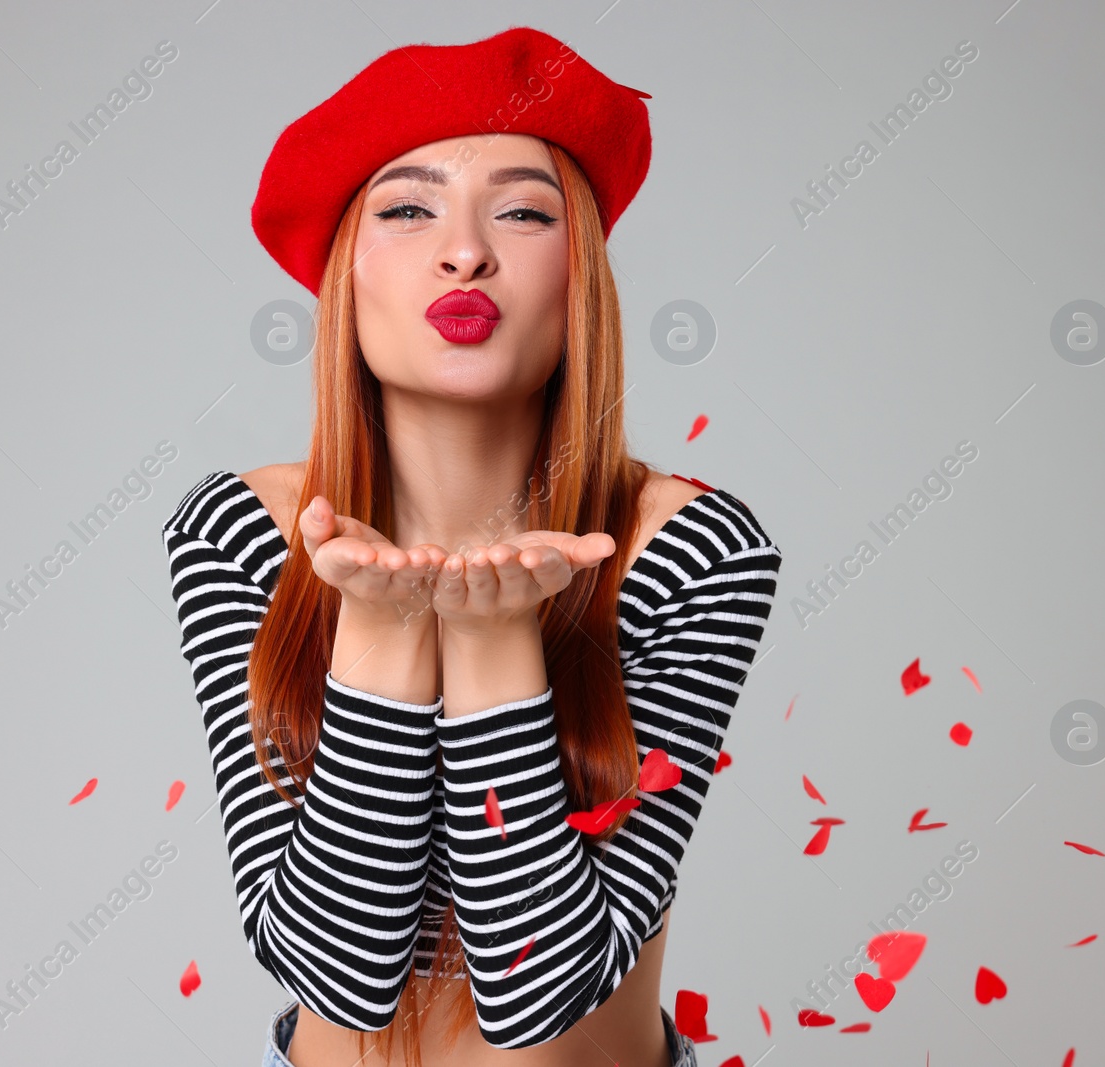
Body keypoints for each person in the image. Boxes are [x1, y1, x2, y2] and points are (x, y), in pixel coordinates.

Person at [162, 25, 782, 1067]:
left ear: (579, 276)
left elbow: (543, 985)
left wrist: (496, 644)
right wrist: (381, 629)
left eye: (523, 211)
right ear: (342, 278)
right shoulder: (245, 533)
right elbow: (334, 971)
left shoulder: (691, 545)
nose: (465, 250)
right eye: (408, 209)